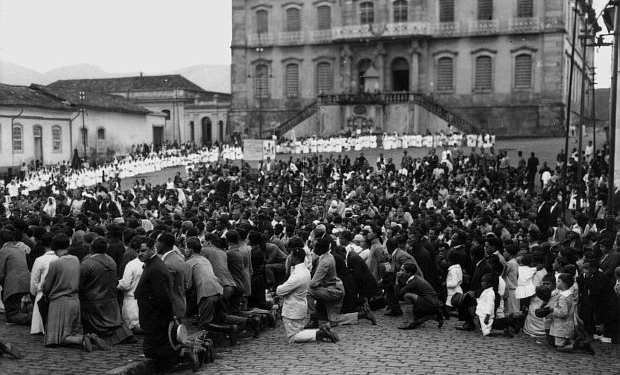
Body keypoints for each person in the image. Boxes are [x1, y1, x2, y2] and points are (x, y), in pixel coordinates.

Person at [41, 234, 105, 351]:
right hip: (74, 300)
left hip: (59, 302)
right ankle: (88, 338)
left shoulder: (55, 264)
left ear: (54, 247)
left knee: (56, 339)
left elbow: (47, 285)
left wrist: (45, 293)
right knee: (72, 331)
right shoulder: (75, 260)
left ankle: (82, 339)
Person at [79, 237, 135, 345]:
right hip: (109, 300)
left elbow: (80, 284)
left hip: (93, 302)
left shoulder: (87, 263)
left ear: (91, 247)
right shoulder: (111, 261)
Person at [276, 248, 339, 343]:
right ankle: (322, 331)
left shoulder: (298, 275)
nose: (290, 258)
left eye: (291, 256)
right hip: (300, 307)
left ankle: (319, 333)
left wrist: (279, 287)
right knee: (299, 331)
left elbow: (280, 291)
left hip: (292, 309)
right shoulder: (305, 271)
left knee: (293, 336)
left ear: (296, 258)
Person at [134, 236, 177, 368]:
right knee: (154, 348)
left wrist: (166, 318)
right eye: (138, 251)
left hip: (155, 318)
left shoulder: (155, 268)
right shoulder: (152, 264)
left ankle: (174, 360)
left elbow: (163, 297)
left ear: (152, 249)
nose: (140, 254)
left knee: (152, 350)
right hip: (152, 317)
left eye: (143, 250)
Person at [185, 237, 223, 329]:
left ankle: (229, 329)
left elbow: (188, 285)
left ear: (191, 250)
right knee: (219, 318)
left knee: (204, 324)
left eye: (186, 248)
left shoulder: (189, 263)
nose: (185, 250)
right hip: (219, 289)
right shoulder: (205, 259)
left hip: (206, 293)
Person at [396, 262, 443, 330]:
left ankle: (408, 321)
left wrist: (396, 280)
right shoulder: (414, 278)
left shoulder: (413, 282)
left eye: (402, 270)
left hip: (430, 303)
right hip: (431, 302)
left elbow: (398, 295)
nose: (400, 272)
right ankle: (434, 315)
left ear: (409, 273)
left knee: (407, 296)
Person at [0, 229, 32, 325]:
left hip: (14, 284)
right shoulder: (19, 250)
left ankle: (32, 319)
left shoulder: (3, 251)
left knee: (11, 316)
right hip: (25, 282)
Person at [29, 232, 57, 335]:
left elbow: (34, 281)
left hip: (42, 293)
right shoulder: (61, 258)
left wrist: (35, 292)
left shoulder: (40, 260)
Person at [117, 237, 145, 333]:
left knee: (133, 326)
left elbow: (125, 285)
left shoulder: (131, 264)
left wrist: (117, 284)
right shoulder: (152, 263)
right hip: (144, 302)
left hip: (131, 301)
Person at [156, 232, 186, 319]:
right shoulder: (179, 258)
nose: (155, 245)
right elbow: (185, 284)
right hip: (180, 303)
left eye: (157, 242)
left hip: (172, 308)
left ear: (163, 244)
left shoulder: (168, 263)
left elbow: (167, 290)